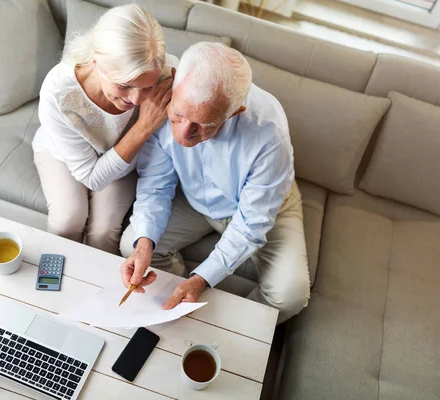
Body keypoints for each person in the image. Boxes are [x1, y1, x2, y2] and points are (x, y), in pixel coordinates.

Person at [119, 42, 310, 323]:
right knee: (131, 244)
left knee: (291, 294)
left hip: (267, 209)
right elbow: (155, 185)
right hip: (194, 202)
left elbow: (250, 225)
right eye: (179, 116)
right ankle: (179, 302)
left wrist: (203, 279)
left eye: (203, 125)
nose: (184, 134)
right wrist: (145, 241)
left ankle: (222, 325)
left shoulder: (269, 133)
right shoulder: (163, 99)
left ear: (234, 111)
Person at [32, 4, 175, 255]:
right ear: (96, 62)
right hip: (63, 154)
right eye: (124, 85)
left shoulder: (164, 73)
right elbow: (91, 177)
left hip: (124, 163)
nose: (136, 99)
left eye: (146, 86)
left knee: (103, 232)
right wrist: (143, 127)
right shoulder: (59, 92)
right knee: (68, 220)